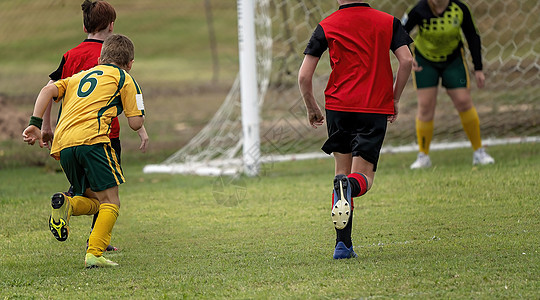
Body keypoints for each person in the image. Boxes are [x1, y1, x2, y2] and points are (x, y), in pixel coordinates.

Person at [298, 0, 413, 259]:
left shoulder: (326, 26)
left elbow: (304, 76)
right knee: (362, 180)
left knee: (341, 173)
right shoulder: (388, 21)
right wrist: (394, 98)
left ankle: (343, 246)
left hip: (339, 108)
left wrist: (311, 106)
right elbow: (406, 61)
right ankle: (349, 186)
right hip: (372, 108)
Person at [23, 34, 146, 268]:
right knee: (112, 201)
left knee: (94, 200)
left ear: (100, 58)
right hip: (93, 141)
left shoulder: (79, 77)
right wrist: (139, 109)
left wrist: (35, 123)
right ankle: (95, 253)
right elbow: (135, 123)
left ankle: (67, 205)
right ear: (130, 63)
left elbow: (47, 90)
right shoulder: (125, 78)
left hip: (64, 145)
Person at [42, 0, 149, 251]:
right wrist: (141, 128)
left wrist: (46, 125)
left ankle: (66, 208)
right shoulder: (115, 55)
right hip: (104, 134)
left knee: (88, 192)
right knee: (108, 195)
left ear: (83, 26)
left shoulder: (70, 55)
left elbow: (49, 88)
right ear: (112, 26)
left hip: (69, 134)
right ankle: (97, 242)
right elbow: (129, 98)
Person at [402, 0, 494, 169]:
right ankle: (423, 156)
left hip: (453, 61)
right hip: (425, 61)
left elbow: (472, 36)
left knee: (464, 101)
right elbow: (400, 33)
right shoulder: (419, 10)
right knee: (425, 106)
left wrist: (478, 68)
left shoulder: (460, 9)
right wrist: (407, 55)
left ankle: (479, 152)